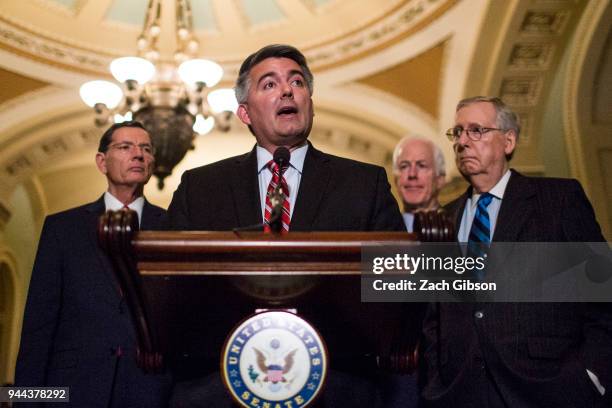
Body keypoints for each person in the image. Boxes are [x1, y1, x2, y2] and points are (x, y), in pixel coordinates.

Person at [167, 44, 416, 407]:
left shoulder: (364, 184)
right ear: (244, 113)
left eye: (296, 82)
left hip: (338, 385)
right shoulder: (200, 187)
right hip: (217, 386)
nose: (286, 90)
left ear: (310, 102)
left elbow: (399, 279)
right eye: (268, 84)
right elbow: (171, 284)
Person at [419, 96, 612, 407]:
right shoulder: (441, 222)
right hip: (461, 392)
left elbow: (603, 293)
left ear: (508, 141)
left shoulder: (558, 200)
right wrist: (435, 385)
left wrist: (593, 374)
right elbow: (434, 318)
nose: (463, 141)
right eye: (457, 132)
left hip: (548, 389)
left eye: (476, 130)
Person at [15, 121, 171, 407]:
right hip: (72, 391)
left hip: (151, 390)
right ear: (102, 162)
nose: (138, 154)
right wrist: (25, 400)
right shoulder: (62, 228)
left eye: (146, 149)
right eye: (125, 147)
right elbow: (39, 325)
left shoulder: (174, 228)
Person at [392, 136, 446, 232]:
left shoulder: (456, 226)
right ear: (395, 179)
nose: (412, 174)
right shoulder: (383, 230)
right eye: (404, 166)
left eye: (422, 166)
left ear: (440, 179)